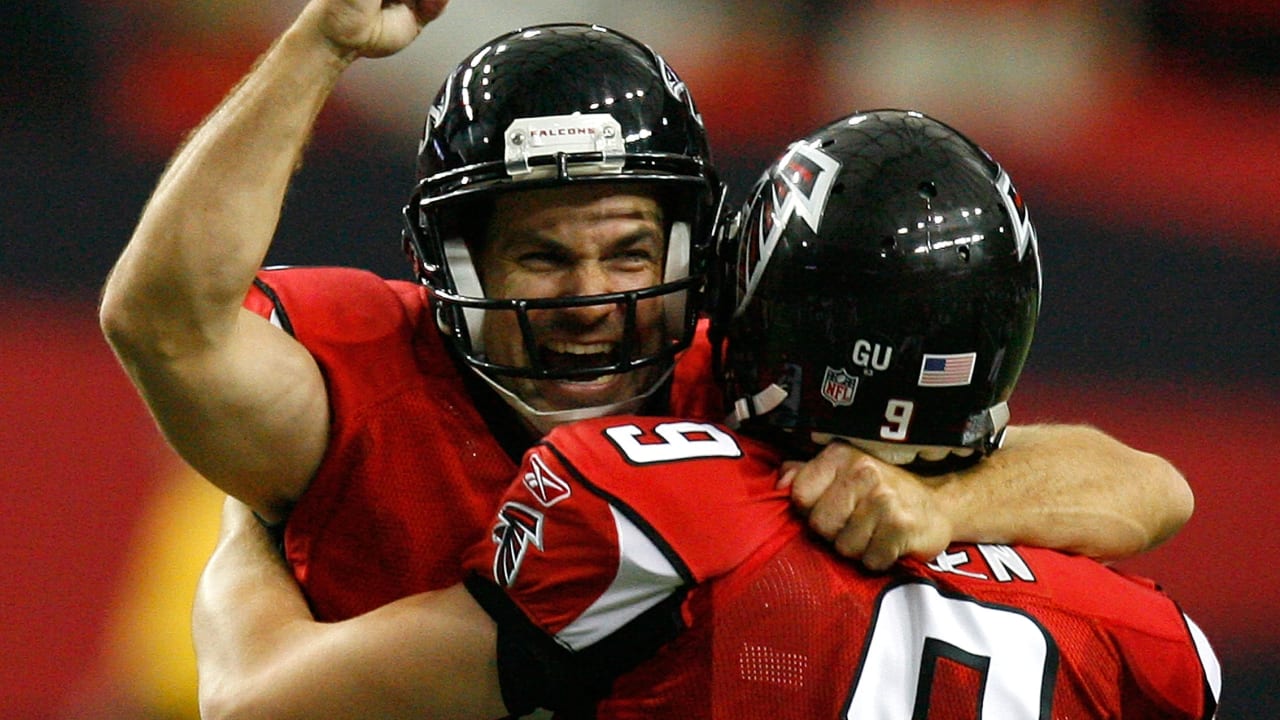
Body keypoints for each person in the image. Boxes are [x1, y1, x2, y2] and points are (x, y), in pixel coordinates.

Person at [99, 0, 1192, 628]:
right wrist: (319, 45)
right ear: (456, 264)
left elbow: (1141, 486)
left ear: (690, 249)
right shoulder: (371, 380)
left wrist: (940, 504)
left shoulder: (758, 379)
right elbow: (164, 324)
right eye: (539, 254)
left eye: (625, 248)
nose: (588, 296)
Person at [193, 110, 1219, 720]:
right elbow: (1146, 487)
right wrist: (941, 505)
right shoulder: (1133, 628)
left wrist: (258, 526)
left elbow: (260, 701)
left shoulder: (655, 511)